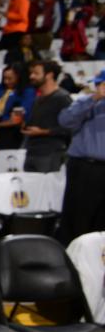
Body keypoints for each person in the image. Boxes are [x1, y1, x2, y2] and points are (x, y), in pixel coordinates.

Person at [56, 70, 105, 243]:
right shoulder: (85, 102)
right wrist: (93, 99)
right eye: (98, 84)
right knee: (78, 218)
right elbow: (65, 121)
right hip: (86, 168)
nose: (99, 87)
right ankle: (72, 259)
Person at [23, 60, 73, 172]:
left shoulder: (62, 98)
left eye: (36, 73)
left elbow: (70, 128)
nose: (31, 76)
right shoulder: (37, 99)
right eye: (31, 73)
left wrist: (43, 132)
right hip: (32, 152)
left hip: (51, 153)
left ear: (49, 75)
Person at [0, 65, 36, 150]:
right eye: (4, 78)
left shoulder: (27, 92)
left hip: (9, 133)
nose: (6, 81)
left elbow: (18, 119)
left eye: (10, 79)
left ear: (19, 78)